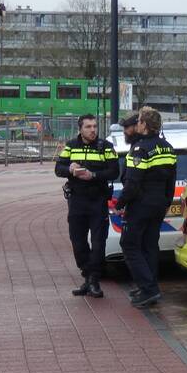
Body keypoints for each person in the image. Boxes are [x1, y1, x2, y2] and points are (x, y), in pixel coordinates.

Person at [116, 107, 177, 308]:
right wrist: (167, 201)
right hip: (159, 205)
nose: (137, 124)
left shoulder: (140, 149)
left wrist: (120, 203)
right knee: (150, 245)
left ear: (144, 125)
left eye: (139, 121)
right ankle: (149, 286)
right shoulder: (167, 147)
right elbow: (171, 180)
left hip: (141, 205)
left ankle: (149, 289)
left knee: (130, 244)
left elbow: (133, 183)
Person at [55, 114, 119, 298]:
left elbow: (114, 171)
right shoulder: (71, 146)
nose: (93, 130)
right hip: (76, 200)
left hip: (97, 200)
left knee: (99, 242)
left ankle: (94, 280)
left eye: (94, 126)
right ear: (80, 129)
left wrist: (94, 176)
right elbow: (58, 169)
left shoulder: (105, 147)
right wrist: (70, 169)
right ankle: (87, 275)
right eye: (88, 127)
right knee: (77, 241)